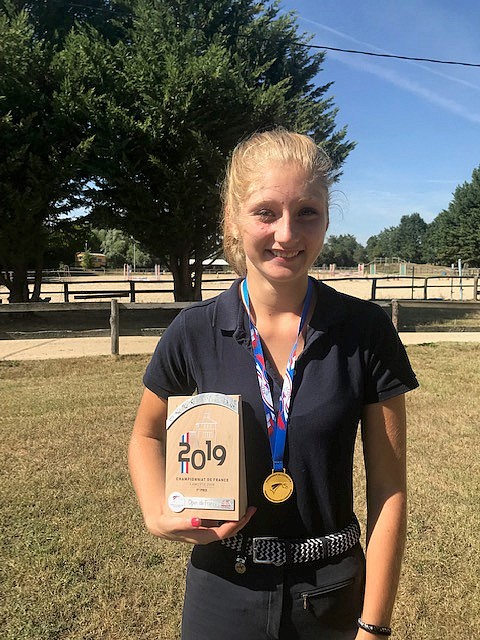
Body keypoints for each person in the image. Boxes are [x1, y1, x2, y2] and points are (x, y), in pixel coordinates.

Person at [128, 129, 418, 639]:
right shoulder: (193, 332)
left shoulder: (366, 332)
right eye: (266, 212)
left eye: (307, 211)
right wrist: (156, 512)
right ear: (233, 221)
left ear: (326, 220)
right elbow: (146, 435)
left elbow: (390, 488)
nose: (287, 234)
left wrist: (374, 626)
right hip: (222, 591)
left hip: (331, 597)